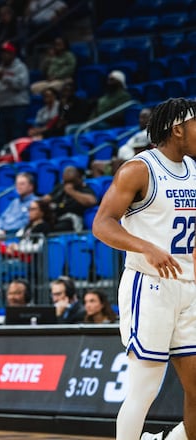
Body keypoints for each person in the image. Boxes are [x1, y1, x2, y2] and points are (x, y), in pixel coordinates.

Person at [92, 98, 196, 440]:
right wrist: (146, 247)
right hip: (150, 286)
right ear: (178, 129)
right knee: (144, 389)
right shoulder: (139, 168)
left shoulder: (194, 170)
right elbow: (102, 224)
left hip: (189, 286)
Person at [0, 41, 30, 150]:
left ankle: (19, 162)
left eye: (7, 53)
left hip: (18, 106)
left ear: (13, 54)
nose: (4, 55)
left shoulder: (20, 67)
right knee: (1, 137)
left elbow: (21, 85)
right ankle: (2, 160)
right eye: (2, 53)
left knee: (17, 136)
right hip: (3, 106)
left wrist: (4, 78)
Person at [91, 108, 152, 177]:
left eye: (144, 117)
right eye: (140, 117)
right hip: (120, 162)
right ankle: (102, 185)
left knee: (110, 163)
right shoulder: (138, 133)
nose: (140, 120)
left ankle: (116, 185)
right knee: (95, 164)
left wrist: (120, 160)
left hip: (129, 163)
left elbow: (139, 153)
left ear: (151, 119)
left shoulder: (148, 133)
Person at [40, 166, 97, 232]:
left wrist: (72, 192)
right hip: (56, 217)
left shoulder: (84, 188)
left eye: (71, 181)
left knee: (55, 228)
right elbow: (46, 198)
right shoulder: (60, 187)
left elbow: (92, 201)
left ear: (79, 179)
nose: (68, 184)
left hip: (72, 219)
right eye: (66, 181)